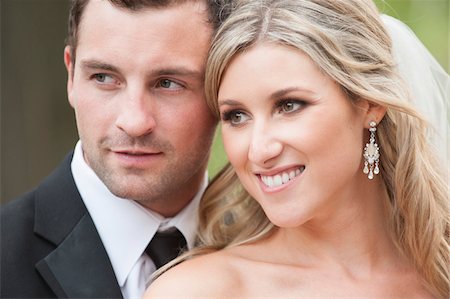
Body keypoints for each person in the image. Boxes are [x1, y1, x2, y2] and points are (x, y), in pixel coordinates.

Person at [145, 0, 449, 298]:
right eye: (237, 116)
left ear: (370, 105)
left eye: (289, 106)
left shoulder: (439, 275)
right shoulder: (197, 291)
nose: (258, 151)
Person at [0, 0, 229, 298]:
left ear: (223, 87)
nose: (134, 122)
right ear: (71, 76)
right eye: (104, 78)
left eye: (168, 83)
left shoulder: (277, 255)